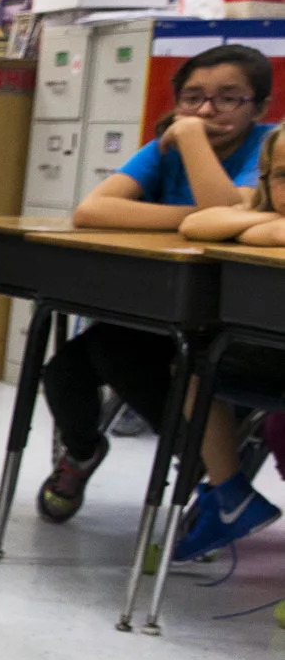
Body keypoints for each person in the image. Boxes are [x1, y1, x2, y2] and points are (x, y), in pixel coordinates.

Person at [36, 44, 275, 523]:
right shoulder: (162, 147)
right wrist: (194, 220)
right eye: (192, 98)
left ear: (260, 107)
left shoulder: (270, 147)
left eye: (228, 98)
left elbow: (231, 212)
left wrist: (191, 140)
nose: (206, 111)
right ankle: (83, 453)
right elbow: (92, 211)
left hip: (227, 316)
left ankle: (210, 464)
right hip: (161, 304)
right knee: (64, 369)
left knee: (117, 353)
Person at [160, 123, 285, 559]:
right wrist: (265, 221)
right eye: (283, 176)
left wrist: (259, 227)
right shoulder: (266, 207)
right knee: (198, 361)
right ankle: (231, 495)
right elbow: (200, 221)